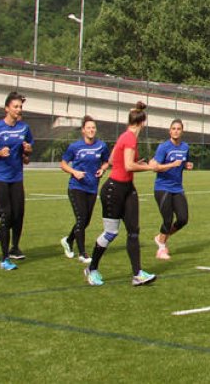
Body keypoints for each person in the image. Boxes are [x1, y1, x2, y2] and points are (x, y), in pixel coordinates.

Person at [84, 102, 158, 287]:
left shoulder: (126, 136)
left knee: (134, 231)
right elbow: (128, 166)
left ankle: (137, 274)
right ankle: (92, 268)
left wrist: (135, 161)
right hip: (114, 190)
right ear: (143, 122)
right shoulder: (130, 138)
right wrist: (149, 167)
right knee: (111, 232)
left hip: (128, 189)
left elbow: (111, 160)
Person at [0, 91, 33, 270]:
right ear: (7, 108)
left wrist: (27, 150)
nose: (18, 110)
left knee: (17, 215)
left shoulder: (24, 128)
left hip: (16, 176)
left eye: (20, 107)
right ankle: (5, 259)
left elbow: (27, 154)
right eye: (15, 106)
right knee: (6, 214)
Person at [60, 116, 110, 264]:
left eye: (93, 128)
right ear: (83, 130)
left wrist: (102, 169)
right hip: (76, 187)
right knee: (81, 218)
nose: (91, 130)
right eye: (88, 128)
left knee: (85, 221)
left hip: (92, 187)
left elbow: (106, 162)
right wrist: (74, 172)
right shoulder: (75, 147)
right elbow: (63, 164)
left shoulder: (101, 146)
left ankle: (68, 241)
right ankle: (82, 253)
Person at [151, 119, 192, 261]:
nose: (176, 131)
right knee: (167, 219)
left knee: (182, 219)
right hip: (162, 187)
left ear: (182, 131)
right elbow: (155, 167)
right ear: (170, 131)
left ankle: (161, 238)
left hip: (177, 188)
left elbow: (185, 162)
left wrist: (187, 165)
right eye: (173, 128)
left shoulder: (185, 147)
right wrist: (171, 164)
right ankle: (161, 247)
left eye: (178, 129)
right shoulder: (163, 147)